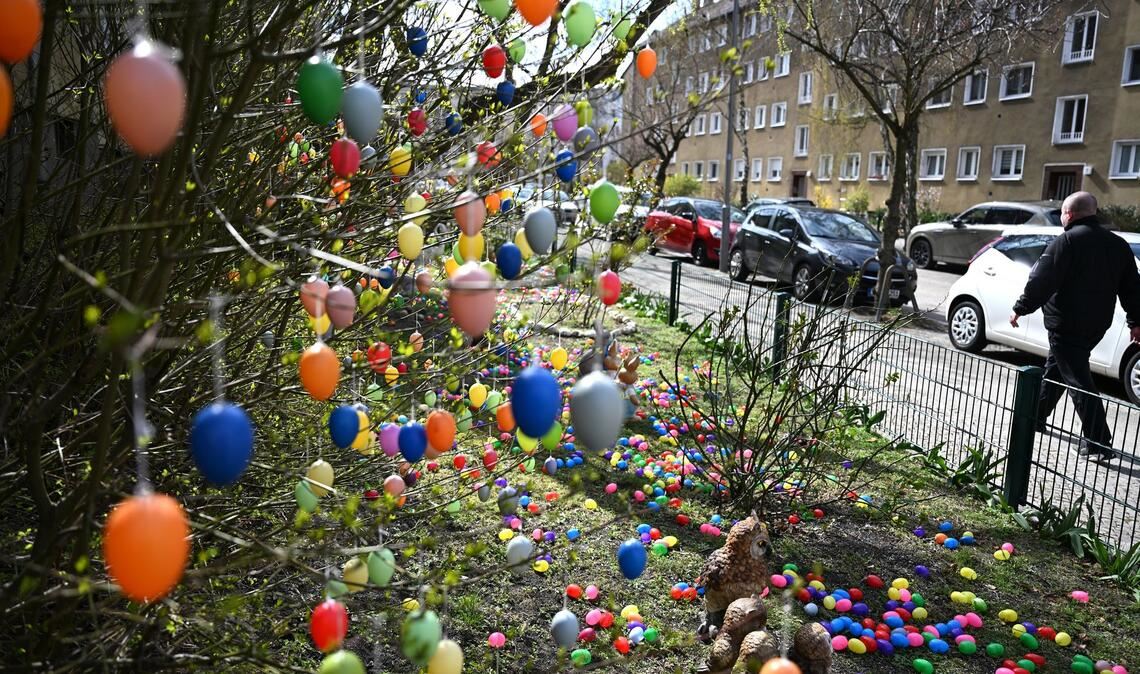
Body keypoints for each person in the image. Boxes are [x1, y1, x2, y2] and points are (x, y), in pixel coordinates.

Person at [1010, 191, 1140, 461]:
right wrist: (1136, 321)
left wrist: (1021, 308)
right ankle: (1035, 417)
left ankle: (1098, 442)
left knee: (1078, 379)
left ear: (1068, 214)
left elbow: (1041, 279)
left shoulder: (1066, 241)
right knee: (1057, 369)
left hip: (1065, 323)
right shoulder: (1118, 245)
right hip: (1097, 325)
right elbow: (1133, 288)